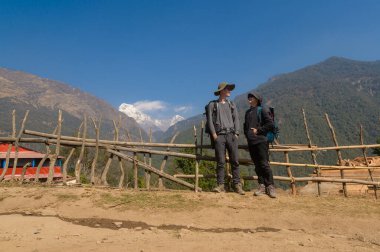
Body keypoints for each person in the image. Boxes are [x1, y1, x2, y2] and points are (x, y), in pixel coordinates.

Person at [206, 82, 244, 195]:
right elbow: (210, 121)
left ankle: (237, 185)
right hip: (219, 136)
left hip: (231, 135)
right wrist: (214, 135)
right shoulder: (212, 105)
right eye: (228, 89)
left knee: (235, 161)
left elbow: (236, 119)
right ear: (222, 91)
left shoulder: (231, 104)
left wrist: (236, 133)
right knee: (220, 162)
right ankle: (220, 185)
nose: (230, 91)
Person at [243, 92, 276, 198]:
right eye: (248, 97)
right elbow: (246, 127)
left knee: (264, 164)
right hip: (251, 142)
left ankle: (270, 186)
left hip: (261, 141)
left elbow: (270, 124)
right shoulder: (247, 112)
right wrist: (248, 136)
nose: (249, 98)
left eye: (251, 97)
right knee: (257, 165)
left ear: (257, 99)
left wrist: (259, 130)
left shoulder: (263, 110)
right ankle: (261, 186)